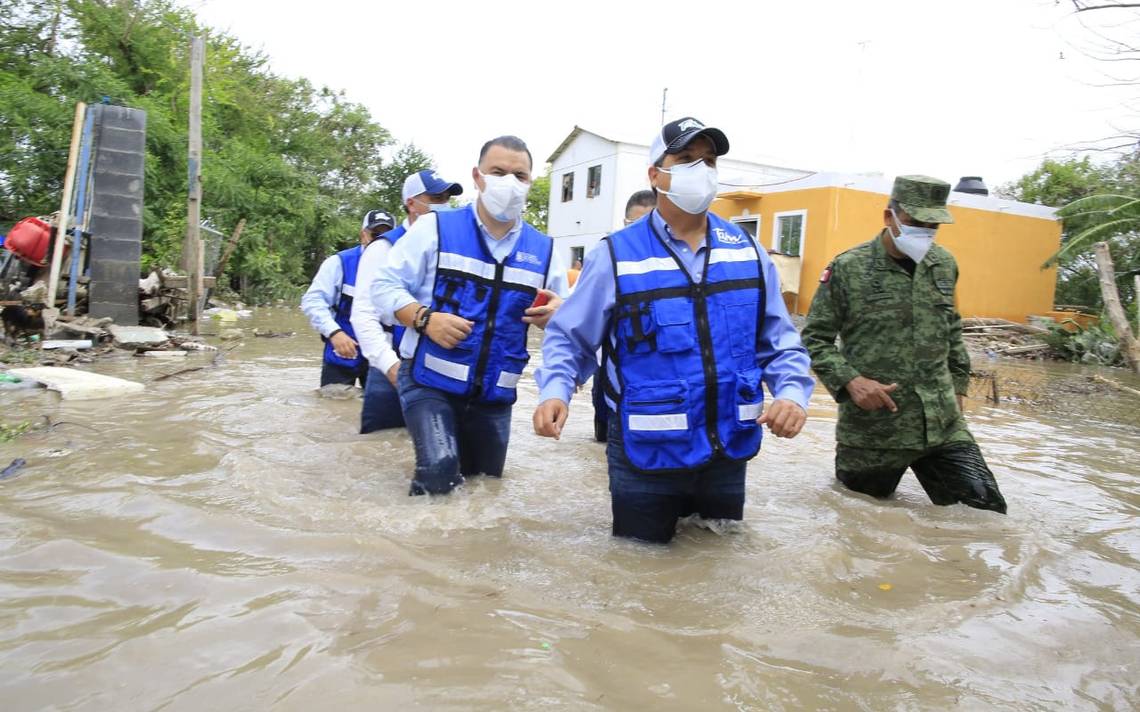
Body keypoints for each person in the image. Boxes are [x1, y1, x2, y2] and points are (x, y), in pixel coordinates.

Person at [533, 117, 815, 544]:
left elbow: (779, 342)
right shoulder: (617, 256)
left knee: (719, 575)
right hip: (645, 455)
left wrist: (792, 394)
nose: (700, 171)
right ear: (655, 174)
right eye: (685, 160)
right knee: (640, 574)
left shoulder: (749, 253)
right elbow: (570, 338)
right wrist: (555, 390)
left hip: (727, 452)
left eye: (709, 161)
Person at [374, 136, 571, 495]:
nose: (509, 183)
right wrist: (424, 318)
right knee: (439, 469)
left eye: (520, 176)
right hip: (429, 380)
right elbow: (384, 287)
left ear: (529, 183)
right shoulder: (435, 228)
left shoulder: (545, 251)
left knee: (485, 488)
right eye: (498, 172)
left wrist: (559, 315)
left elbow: (569, 327)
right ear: (478, 178)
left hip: (495, 395)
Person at [800, 175, 1007, 513]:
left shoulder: (944, 265)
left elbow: (952, 330)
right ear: (889, 216)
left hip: (942, 426)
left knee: (985, 515)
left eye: (932, 225)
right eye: (915, 223)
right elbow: (815, 339)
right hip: (874, 432)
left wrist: (957, 389)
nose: (924, 232)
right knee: (860, 524)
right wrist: (851, 381)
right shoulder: (848, 268)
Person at [351, 170, 463, 433]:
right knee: (382, 449)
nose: (443, 204)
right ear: (411, 203)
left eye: (447, 197)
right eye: (435, 197)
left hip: (440, 368)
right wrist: (390, 366)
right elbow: (363, 314)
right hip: (394, 363)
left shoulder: (452, 244)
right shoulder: (384, 247)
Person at [590, 189, 658, 442]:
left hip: (647, 376)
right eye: (634, 224)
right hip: (605, 366)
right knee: (603, 437)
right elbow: (578, 323)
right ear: (624, 223)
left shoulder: (670, 270)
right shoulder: (607, 256)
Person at [301, 209, 394, 388]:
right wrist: (334, 333)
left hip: (382, 355)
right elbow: (313, 301)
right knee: (332, 408)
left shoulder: (400, 267)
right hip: (342, 351)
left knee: (381, 412)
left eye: (386, 236)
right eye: (375, 235)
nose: (379, 242)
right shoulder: (339, 263)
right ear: (363, 235)